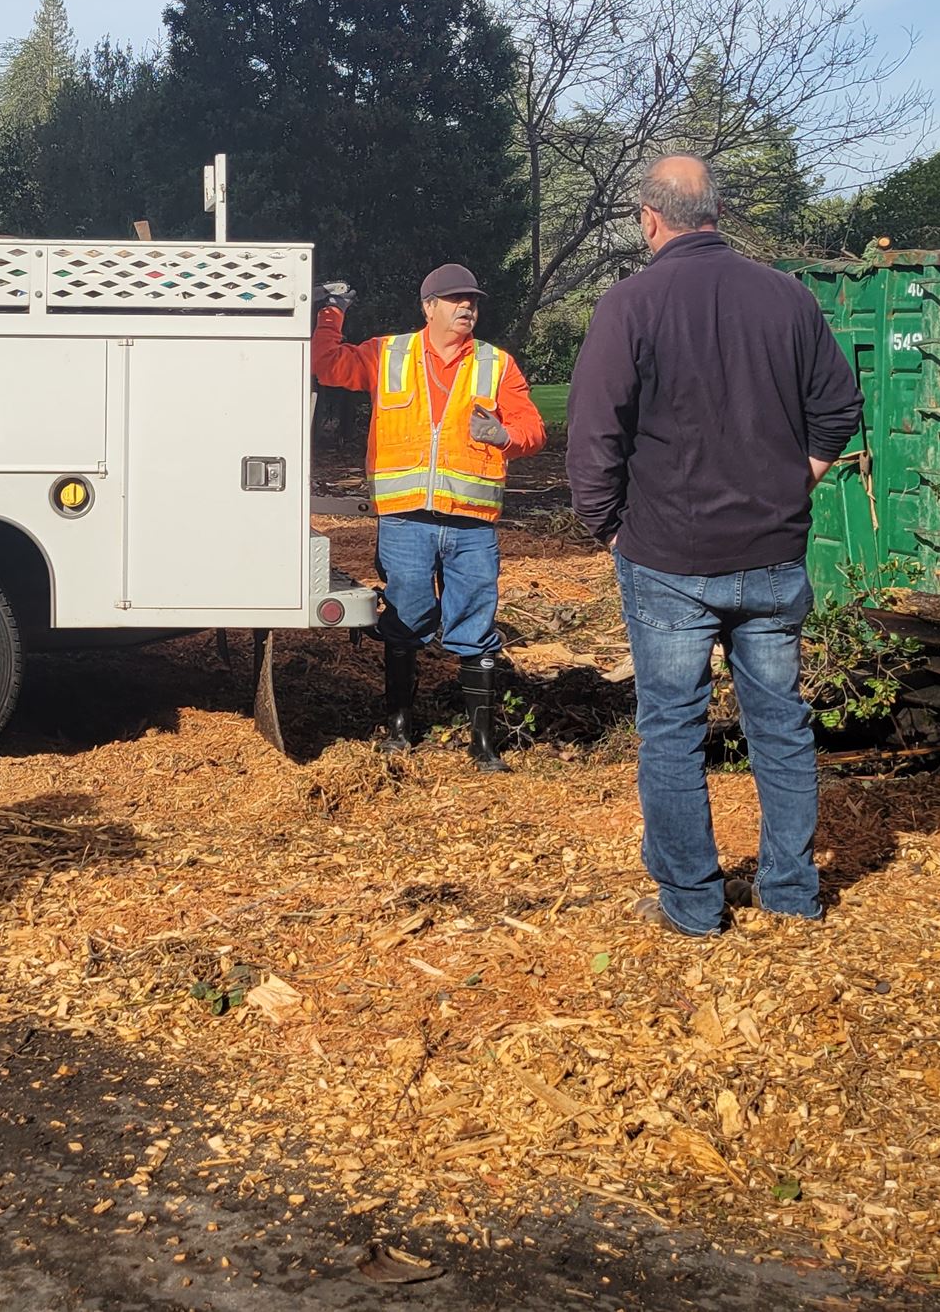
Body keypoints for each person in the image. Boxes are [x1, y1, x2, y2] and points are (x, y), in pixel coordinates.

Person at [566, 156, 862, 936]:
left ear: (648, 218)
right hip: (771, 552)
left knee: (672, 729)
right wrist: (795, 484)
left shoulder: (629, 304)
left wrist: (608, 526)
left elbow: (593, 434)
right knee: (781, 725)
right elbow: (839, 407)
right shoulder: (787, 296)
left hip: (668, 557)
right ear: (716, 214)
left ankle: (694, 906)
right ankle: (791, 893)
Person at [313, 262, 546, 767]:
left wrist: (506, 436)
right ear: (429, 307)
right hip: (405, 521)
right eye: (456, 299)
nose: (467, 307)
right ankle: (399, 730)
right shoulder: (388, 353)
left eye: (473, 300)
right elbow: (327, 364)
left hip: (471, 523)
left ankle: (482, 745)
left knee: (475, 626)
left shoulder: (496, 364)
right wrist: (332, 312)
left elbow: (532, 428)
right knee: (404, 621)